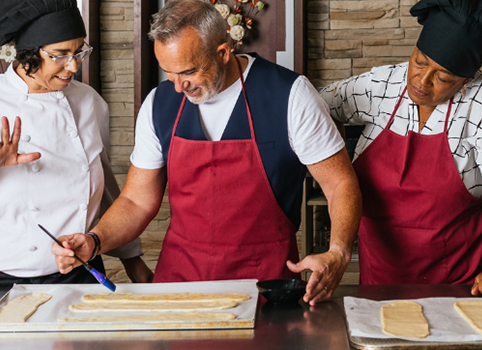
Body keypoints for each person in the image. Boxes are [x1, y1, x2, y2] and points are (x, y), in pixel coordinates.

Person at [52, 0, 361, 305]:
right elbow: (136, 200)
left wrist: (338, 252)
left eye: (187, 71)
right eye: (168, 73)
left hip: (265, 286)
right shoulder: (158, 104)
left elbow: (340, 184)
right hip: (179, 286)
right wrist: (94, 240)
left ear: (223, 53)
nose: (177, 87)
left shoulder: (290, 95)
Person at [319, 0, 482, 297]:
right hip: (380, 274)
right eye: (419, 62)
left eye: (443, 77)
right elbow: (313, 108)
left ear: (465, 81)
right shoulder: (385, 84)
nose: (422, 81)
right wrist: (334, 160)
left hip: (458, 282)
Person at [0, 0, 153, 287]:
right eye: (60, 55)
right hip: (6, 277)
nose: (73, 66)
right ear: (28, 54)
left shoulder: (89, 101)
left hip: (81, 269)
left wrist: (132, 258)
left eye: (79, 51)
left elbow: (104, 185)